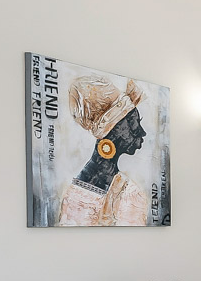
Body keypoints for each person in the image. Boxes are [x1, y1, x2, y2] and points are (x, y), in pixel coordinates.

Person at [57, 75, 150, 226]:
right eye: (134, 123)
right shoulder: (76, 199)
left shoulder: (131, 192)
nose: (142, 132)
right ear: (112, 131)